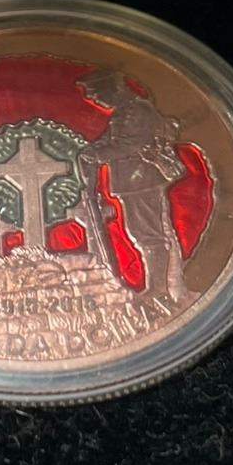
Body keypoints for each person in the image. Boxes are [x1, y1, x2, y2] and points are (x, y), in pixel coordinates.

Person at [77, 70, 188, 303]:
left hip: (141, 181)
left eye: (97, 94)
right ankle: (157, 287)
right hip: (133, 182)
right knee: (141, 233)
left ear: (114, 89)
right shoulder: (125, 111)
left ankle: (159, 289)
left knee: (148, 234)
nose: (94, 100)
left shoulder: (137, 111)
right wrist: (92, 149)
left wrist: (97, 154)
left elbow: (128, 145)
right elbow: (110, 139)